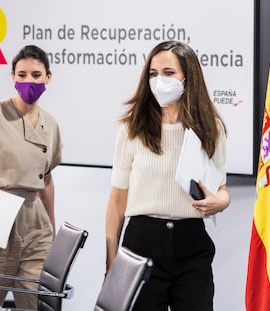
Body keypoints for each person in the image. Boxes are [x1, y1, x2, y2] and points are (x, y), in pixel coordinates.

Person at [105, 40, 231, 311]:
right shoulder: (132, 128)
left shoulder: (212, 128)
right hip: (141, 241)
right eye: (153, 73)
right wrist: (111, 262)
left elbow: (221, 189)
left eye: (168, 73)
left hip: (192, 244)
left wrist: (221, 202)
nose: (159, 80)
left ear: (188, 77)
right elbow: (117, 202)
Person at [0, 45, 62, 309]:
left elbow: (47, 180)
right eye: (22, 74)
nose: (29, 81)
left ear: (48, 77)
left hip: (35, 223)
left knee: (32, 302)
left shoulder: (50, 124)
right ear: (13, 76)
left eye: (37, 75)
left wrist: (51, 226)